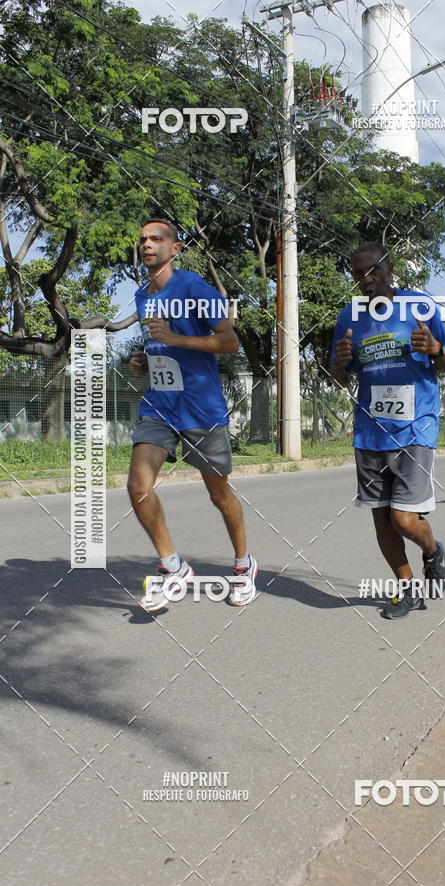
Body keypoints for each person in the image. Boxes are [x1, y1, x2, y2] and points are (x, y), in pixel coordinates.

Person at [128, 219, 258, 611]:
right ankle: (173, 568)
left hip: (200, 408)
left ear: (176, 248)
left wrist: (176, 339)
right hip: (160, 404)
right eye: (143, 240)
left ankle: (243, 566)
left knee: (219, 494)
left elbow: (230, 342)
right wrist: (146, 357)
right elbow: (162, 344)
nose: (148, 244)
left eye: (157, 239)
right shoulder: (141, 295)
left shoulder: (195, 288)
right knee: (137, 485)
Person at [330, 243, 445, 620]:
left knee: (403, 519)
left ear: (389, 269)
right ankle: (407, 590)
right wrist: (339, 364)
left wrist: (436, 348)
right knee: (380, 517)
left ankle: (433, 551)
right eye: (358, 274)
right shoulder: (349, 317)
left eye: (373, 271)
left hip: (415, 427)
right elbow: (340, 378)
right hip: (370, 432)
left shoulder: (420, 307)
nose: (366, 280)